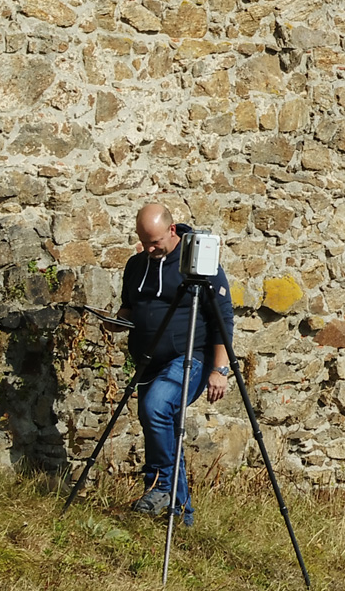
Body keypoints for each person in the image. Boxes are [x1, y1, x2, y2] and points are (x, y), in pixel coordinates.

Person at [119, 203, 233, 524]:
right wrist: (116, 321)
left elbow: (223, 318)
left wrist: (219, 370)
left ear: (172, 231)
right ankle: (180, 515)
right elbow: (129, 306)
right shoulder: (136, 264)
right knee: (162, 425)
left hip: (191, 360)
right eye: (144, 241)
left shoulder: (197, 264)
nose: (150, 248)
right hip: (148, 362)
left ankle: (161, 486)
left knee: (155, 408)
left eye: (155, 241)